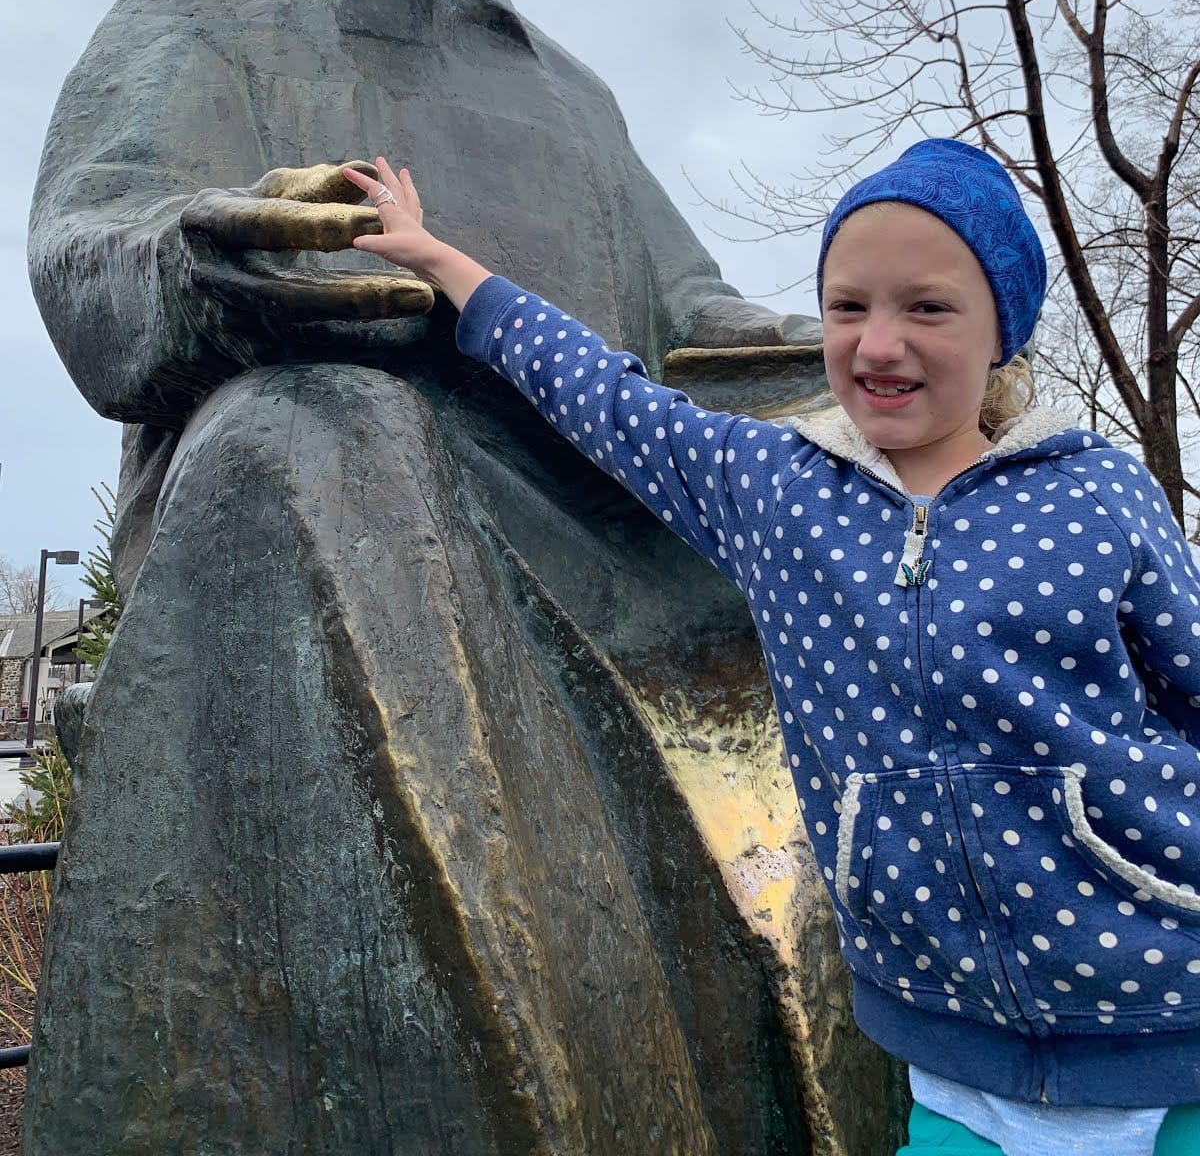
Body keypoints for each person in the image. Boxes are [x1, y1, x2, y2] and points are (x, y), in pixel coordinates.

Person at [28, 0, 867, 1155]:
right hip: (317, 542)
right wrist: (196, 268)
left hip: (595, 581)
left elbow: (699, 333)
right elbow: (86, 243)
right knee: (323, 429)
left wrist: (898, 353)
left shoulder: (570, 96)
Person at [343, 142, 1200, 1156]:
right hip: (954, 1068)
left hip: (1163, 1022)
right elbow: (611, 402)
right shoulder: (779, 492)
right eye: (849, 306)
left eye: (927, 307)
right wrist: (445, 266)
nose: (879, 343)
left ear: (1001, 329)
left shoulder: (1095, 493)